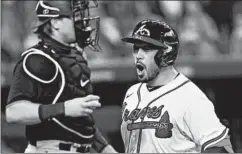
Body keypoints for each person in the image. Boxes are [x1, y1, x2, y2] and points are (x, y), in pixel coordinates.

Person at [5, 0, 116, 153]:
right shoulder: (37, 59)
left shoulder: (76, 57)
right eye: (75, 17)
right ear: (56, 22)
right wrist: (64, 108)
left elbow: (80, 124)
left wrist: (107, 150)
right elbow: (13, 112)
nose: (83, 23)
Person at [120, 19, 234, 153]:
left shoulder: (190, 97)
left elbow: (221, 146)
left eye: (146, 49)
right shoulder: (131, 93)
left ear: (166, 53)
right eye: (136, 48)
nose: (138, 55)